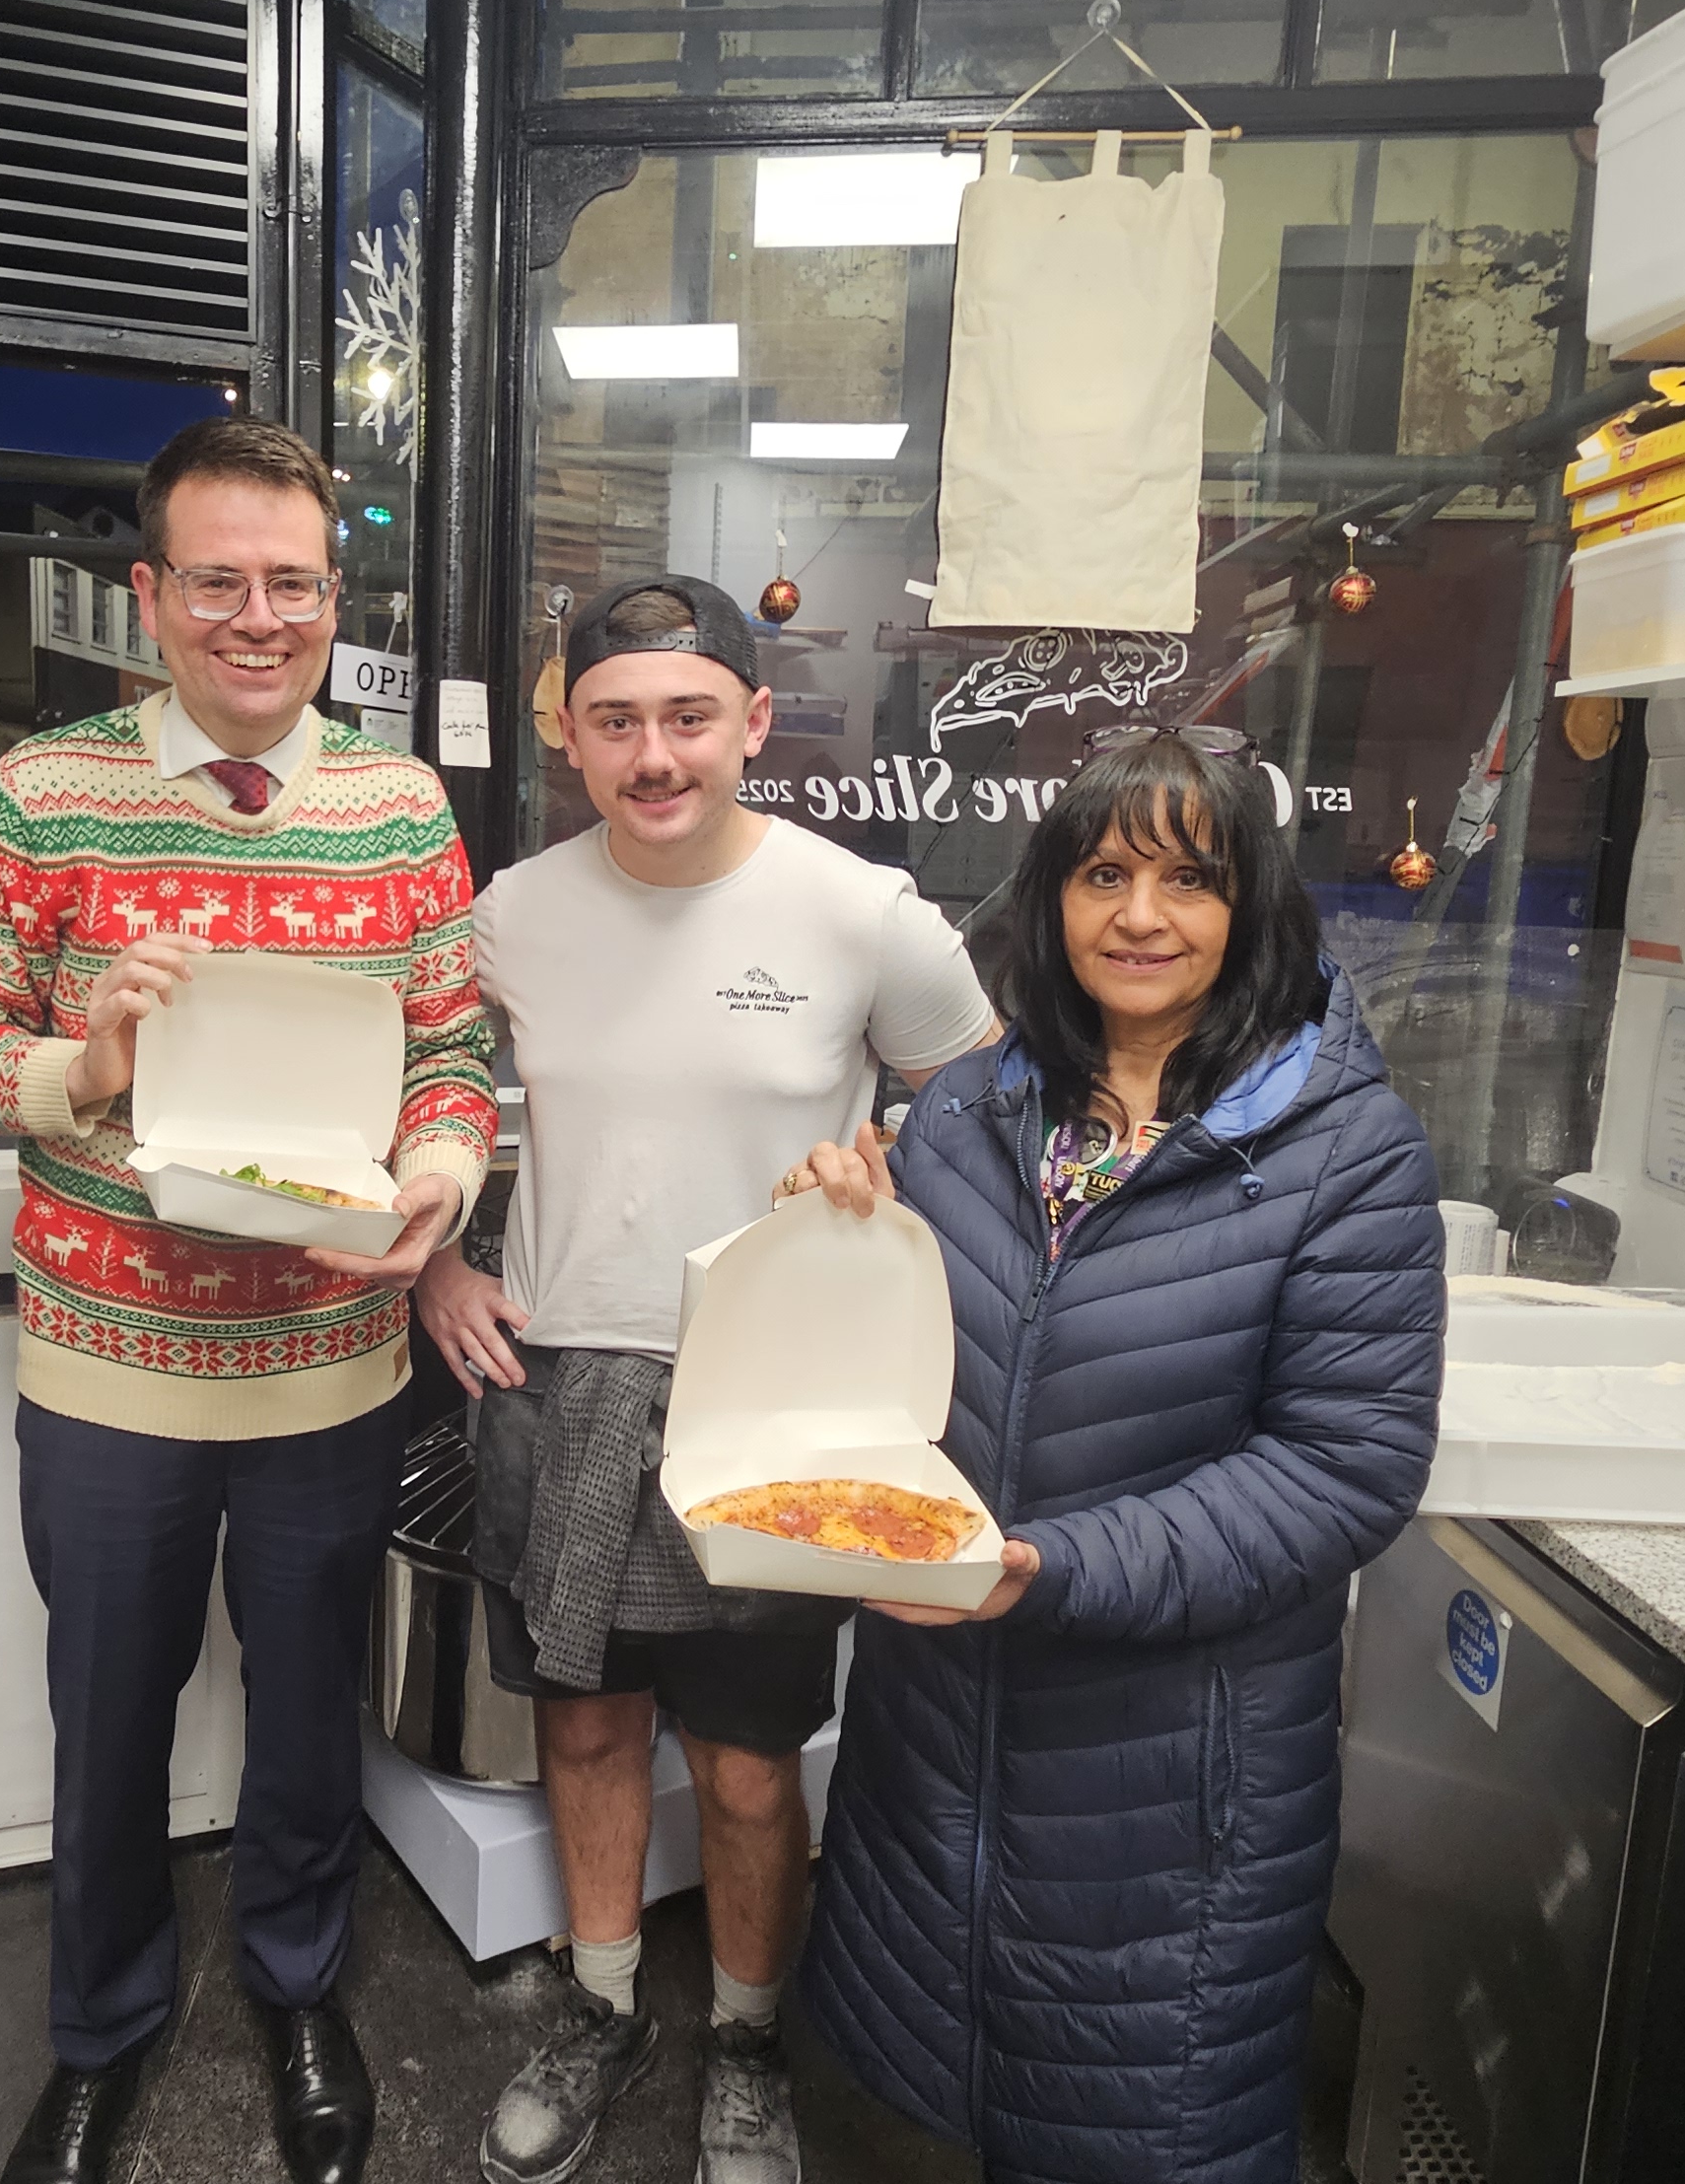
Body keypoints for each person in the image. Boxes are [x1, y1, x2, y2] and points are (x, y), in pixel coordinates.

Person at [0, 416, 494, 2184]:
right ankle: (102, 2032)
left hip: (330, 1362)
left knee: (309, 1708)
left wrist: (443, 1179)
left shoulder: (397, 807)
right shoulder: (45, 794)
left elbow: (450, 1046)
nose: (257, 618)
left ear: (330, 596)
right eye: (217, 582)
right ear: (149, 595)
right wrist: (83, 1061)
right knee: (109, 1713)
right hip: (110, 1368)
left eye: (290, 583)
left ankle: (301, 1992)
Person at [783, 727, 1444, 2184]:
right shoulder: (970, 1104)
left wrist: (1051, 1570)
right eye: (1103, 873)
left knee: (1142, 2124)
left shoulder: (1347, 1151)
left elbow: (1345, 1468)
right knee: (931, 2109)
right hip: (936, 1739)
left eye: (1188, 881)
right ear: (1051, 896)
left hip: (1172, 1775)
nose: (1139, 916)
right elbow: (917, 1361)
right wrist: (838, 1231)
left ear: (1251, 906)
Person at [415, 576, 996, 2184]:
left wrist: (889, 1155)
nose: (652, 754)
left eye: (687, 717)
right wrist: (442, 1262)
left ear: (752, 721)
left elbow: (982, 1118)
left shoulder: (860, 911)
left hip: (768, 1394)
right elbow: (422, 1098)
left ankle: (748, 2042)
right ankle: (601, 2004)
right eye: (616, 721)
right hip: (556, 1379)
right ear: (570, 734)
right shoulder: (509, 911)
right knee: (588, 1731)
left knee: (746, 1764)